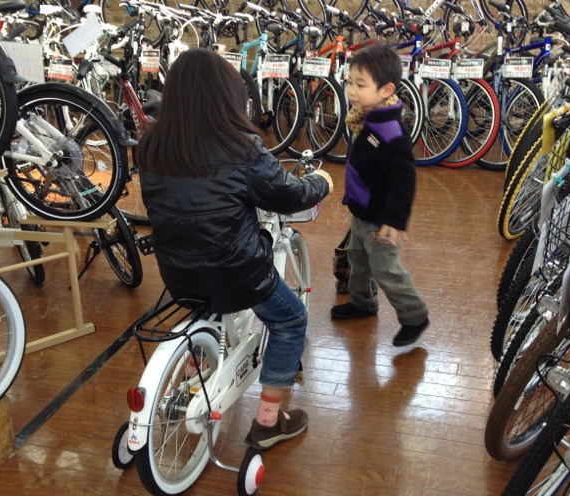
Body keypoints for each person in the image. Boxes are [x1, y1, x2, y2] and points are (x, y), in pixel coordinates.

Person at [138, 48, 333, 450]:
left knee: (205, 307)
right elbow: (286, 195)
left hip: (177, 272)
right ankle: (269, 422)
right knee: (290, 321)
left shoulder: (152, 146)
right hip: (237, 273)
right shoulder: (242, 148)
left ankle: (194, 373)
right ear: (226, 96)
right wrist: (322, 184)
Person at [331, 45, 430, 347]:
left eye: (361, 85)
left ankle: (415, 315)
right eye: (350, 82)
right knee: (357, 259)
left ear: (386, 90)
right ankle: (363, 303)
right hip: (361, 211)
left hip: (381, 220)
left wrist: (395, 219)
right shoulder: (364, 118)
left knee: (386, 270)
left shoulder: (390, 131)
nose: (351, 90)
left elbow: (404, 180)